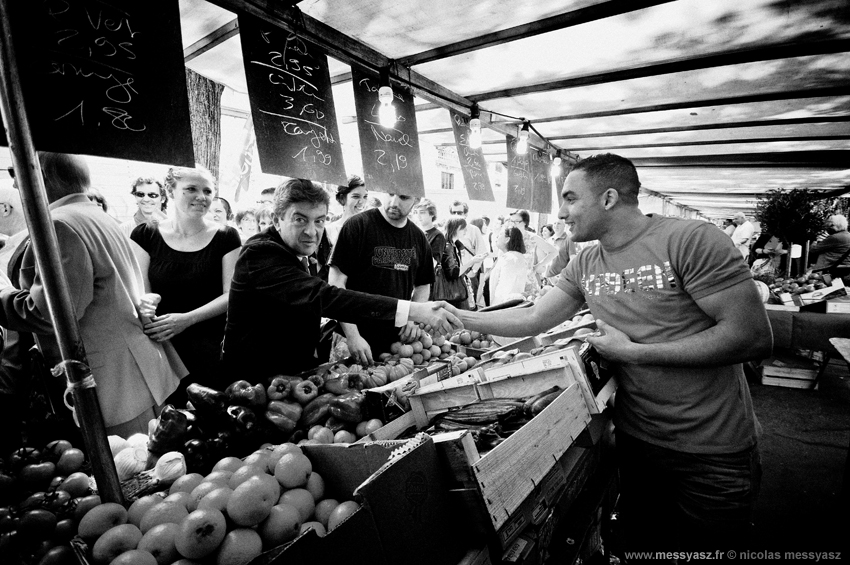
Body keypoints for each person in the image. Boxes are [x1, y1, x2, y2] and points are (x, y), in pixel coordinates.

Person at [446, 153, 771, 553]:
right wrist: (458, 317)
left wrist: (636, 353)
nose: (561, 212)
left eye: (569, 198)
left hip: (714, 450)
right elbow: (532, 318)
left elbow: (751, 336)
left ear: (609, 198)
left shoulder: (692, 240)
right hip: (640, 442)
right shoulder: (586, 262)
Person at [0, 153, 187, 437]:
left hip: (114, 382)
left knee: (132, 468)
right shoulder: (94, 214)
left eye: (16, 175)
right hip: (133, 371)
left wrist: (2, 293)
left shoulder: (60, 224)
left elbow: (50, 314)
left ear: (43, 177)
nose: (15, 186)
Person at [221, 180, 461, 378]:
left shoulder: (296, 252)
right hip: (254, 379)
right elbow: (326, 296)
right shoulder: (261, 253)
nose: (311, 231)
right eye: (300, 219)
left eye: (319, 220)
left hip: (290, 373)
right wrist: (413, 310)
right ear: (276, 220)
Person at [130, 166, 241, 395]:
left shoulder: (226, 237)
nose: (201, 197)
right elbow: (139, 289)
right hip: (162, 345)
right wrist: (145, 304)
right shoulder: (144, 235)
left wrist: (187, 319)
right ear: (170, 191)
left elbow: (232, 294)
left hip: (210, 348)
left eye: (208, 191)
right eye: (191, 189)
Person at [329, 192, 434, 365]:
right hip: (351, 339)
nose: (394, 202)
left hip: (395, 344)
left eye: (403, 197)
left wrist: (412, 318)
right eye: (390, 194)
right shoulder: (357, 226)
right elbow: (336, 283)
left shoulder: (419, 238)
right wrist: (353, 335)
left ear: (416, 199)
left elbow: (423, 285)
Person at [508, 209, 557, 294]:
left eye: (516, 221)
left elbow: (553, 252)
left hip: (527, 281)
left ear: (525, 222)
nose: (513, 224)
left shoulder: (532, 237)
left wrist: (538, 266)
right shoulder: (507, 236)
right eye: (511, 221)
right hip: (510, 280)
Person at [443, 217, 487, 309]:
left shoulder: (454, 245)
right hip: (451, 292)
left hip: (453, 291)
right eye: (464, 228)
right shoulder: (448, 247)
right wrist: (472, 261)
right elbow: (454, 273)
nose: (466, 231)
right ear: (457, 229)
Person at [449, 200, 488, 299]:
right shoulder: (447, 229)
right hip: (452, 274)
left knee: (470, 305)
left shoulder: (473, 230)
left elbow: (481, 252)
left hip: (468, 273)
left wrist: (474, 271)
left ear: (466, 214)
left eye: (459, 212)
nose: (456, 215)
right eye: (453, 212)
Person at [488, 226, 528, 305]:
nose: (497, 237)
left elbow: (504, 289)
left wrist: (494, 306)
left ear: (507, 239)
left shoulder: (510, 259)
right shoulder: (516, 257)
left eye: (500, 234)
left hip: (503, 306)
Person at [325, 175, 367, 246]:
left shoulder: (370, 230)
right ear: (342, 198)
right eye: (356, 196)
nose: (362, 202)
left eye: (365, 197)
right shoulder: (329, 230)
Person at [544, 217, 575, 283]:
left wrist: (560, 276)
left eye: (559, 223)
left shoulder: (569, 240)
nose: (556, 225)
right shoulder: (549, 240)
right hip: (547, 279)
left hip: (559, 280)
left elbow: (573, 260)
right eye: (554, 223)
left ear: (564, 226)